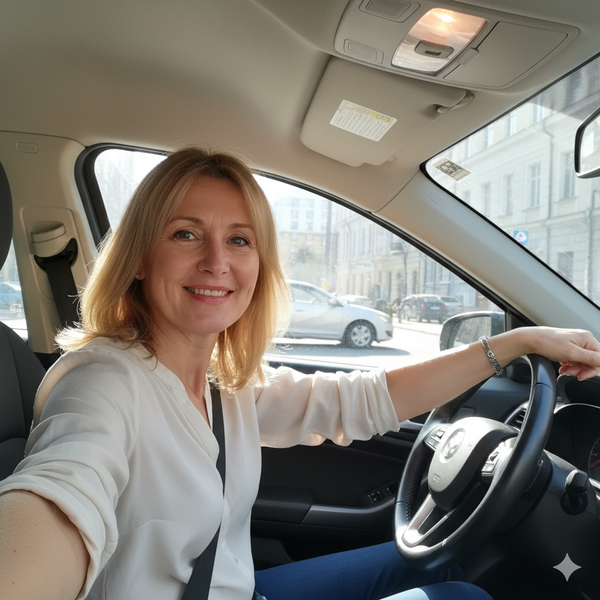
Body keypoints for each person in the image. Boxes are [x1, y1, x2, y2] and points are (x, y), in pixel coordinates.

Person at [0, 147, 599, 600]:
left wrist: (514, 343)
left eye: (239, 240)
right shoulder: (103, 381)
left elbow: (363, 399)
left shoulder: (226, 382)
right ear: (137, 257)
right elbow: (62, 492)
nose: (217, 261)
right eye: (185, 234)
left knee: (444, 561)